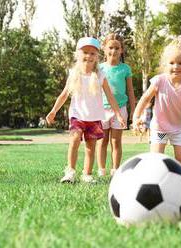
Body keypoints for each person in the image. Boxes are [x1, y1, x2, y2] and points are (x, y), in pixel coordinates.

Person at [46, 37, 125, 183]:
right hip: (77, 115)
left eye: (92, 53)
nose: (88, 56)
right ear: (78, 54)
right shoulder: (74, 74)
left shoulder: (100, 75)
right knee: (75, 140)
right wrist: (53, 111)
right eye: (85, 52)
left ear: (97, 57)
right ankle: (70, 172)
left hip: (94, 117)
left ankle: (87, 174)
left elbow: (110, 97)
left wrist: (118, 114)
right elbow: (64, 95)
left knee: (90, 147)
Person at [133, 37, 181, 168]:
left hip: (180, 128)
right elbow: (145, 99)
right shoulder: (159, 81)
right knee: (156, 158)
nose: (176, 66)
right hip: (159, 127)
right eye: (172, 63)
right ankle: (155, 180)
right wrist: (136, 116)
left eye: (180, 63)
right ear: (165, 64)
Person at [97, 33, 136, 177]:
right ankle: (101, 170)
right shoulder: (99, 68)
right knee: (102, 141)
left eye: (117, 48)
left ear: (121, 50)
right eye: (110, 47)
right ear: (104, 49)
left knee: (116, 141)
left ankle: (115, 170)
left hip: (120, 109)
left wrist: (133, 111)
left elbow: (130, 91)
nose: (113, 51)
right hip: (102, 110)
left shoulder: (125, 69)